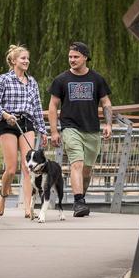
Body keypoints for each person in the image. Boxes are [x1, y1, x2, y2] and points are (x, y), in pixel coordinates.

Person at [48, 42, 112, 217]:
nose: (72, 60)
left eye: (76, 56)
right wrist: (54, 131)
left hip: (92, 129)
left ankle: (81, 196)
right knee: (76, 163)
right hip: (70, 127)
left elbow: (106, 103)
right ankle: (79, 202)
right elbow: (53, 106)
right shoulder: (61, 79)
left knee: (87, 170)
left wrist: (108, 124)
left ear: (85, 57)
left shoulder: (97, 79)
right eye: (70, 57)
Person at [0, 44, 48, 217]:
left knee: (28, 167)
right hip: (8, 122)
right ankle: (2, 195)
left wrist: (43, 130)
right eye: (23, 58)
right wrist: (4, 114)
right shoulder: (4, 79)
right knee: (10, 168)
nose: (26, 61)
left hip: (26, 123)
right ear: (14, 60)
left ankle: (27, 208)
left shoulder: (32, 83)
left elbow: (37, 108)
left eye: (27, 58)